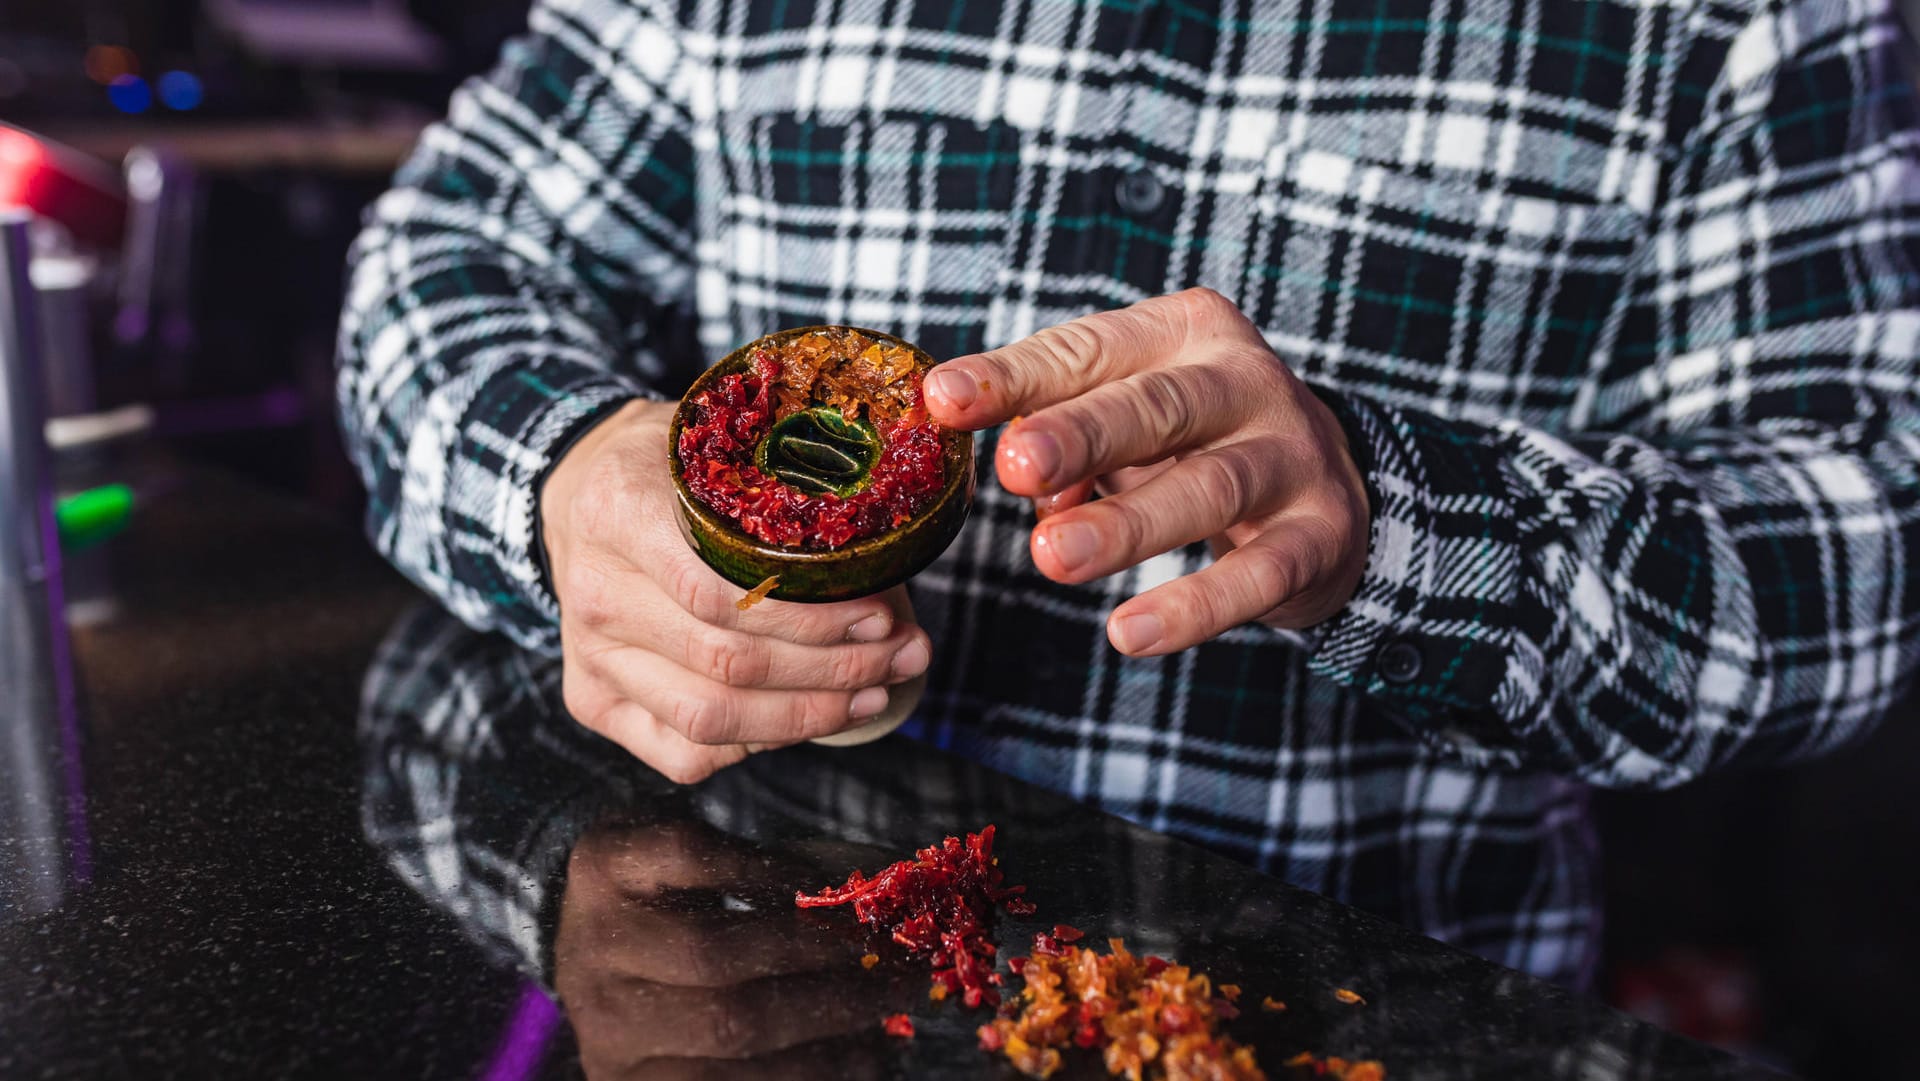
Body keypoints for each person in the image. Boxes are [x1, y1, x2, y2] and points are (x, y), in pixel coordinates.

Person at [336, 0, 1920, 987]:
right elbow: (442, 261)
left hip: (1336, 1011)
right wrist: (557, 477)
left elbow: (1854, 557)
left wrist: (1385, 525)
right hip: (770, 976)